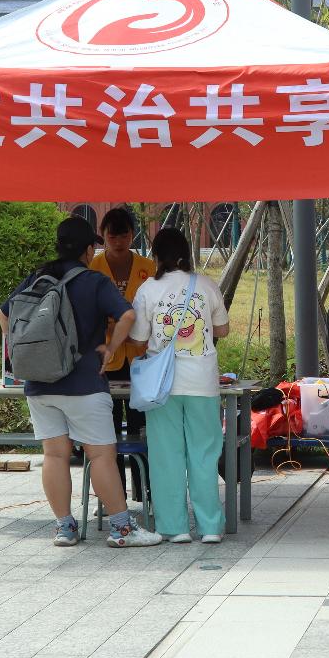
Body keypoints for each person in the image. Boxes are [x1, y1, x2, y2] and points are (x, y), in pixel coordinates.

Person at [0, 216, 160, 548]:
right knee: (101, 455)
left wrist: (22, 351)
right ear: (88, 249)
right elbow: (128, 315)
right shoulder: (93, 281)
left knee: (54, 455)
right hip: (84, 384)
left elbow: (4, 314)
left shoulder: (37, 277)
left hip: (40, 385)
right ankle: (121, 530)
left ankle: (65, 528)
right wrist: (111, 349)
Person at [126, 227, 230, 544]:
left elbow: (139, 339)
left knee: (166, 454)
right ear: (186, 253)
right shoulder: (206, 285)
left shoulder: (148, 289)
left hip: (162, 385)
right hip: (202, 382)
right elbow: (222, 330)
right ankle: (210, 527)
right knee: (204, 453)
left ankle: (174, 527)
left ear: (156, 256)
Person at [91, 207, 158, 491]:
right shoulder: (93, 267)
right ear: (103, 236)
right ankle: (113, 492)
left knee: (140, 424)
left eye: (124, 235)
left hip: (140, 356)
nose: (118, 242)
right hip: (105, 355)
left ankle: (145, 490)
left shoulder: (148, 267)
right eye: (112, 236)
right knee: (107, 426)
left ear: (133, 235)